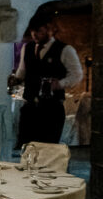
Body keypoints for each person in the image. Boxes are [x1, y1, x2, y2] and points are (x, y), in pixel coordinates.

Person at [8, 14, 83, 145]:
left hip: (52, 107)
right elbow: (22, 71)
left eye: (38, 31)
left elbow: (77, 75)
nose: (34, 35)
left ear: (49, 30)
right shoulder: (28, 48)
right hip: (30, 105)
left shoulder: (65, 50)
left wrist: (59, 84)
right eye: (32, 31)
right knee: (26, 145)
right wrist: (16, 79)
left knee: (47, 147)